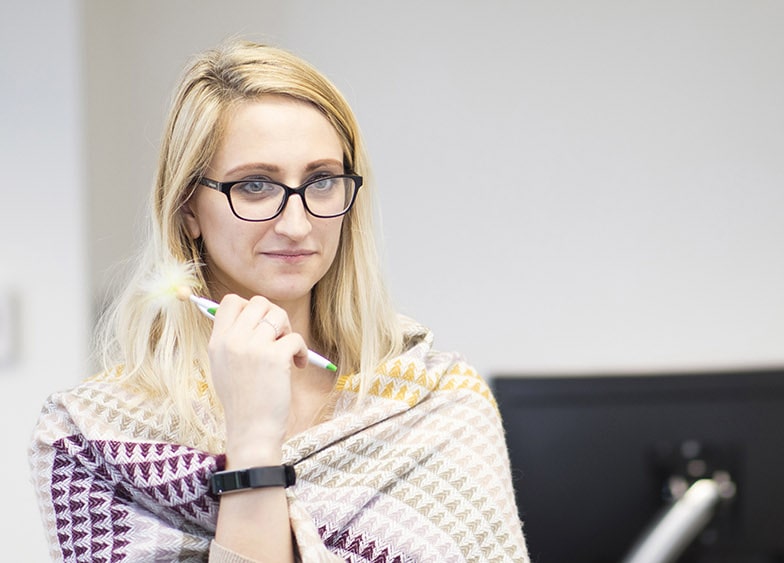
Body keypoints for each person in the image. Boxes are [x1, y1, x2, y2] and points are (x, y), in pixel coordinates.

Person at [28, 40, 528, 562]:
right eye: (257, 185)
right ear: (187, 209)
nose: (297, 223)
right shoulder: (87, 437)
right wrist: (251, 436)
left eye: (322, 181)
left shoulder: (439, 399)